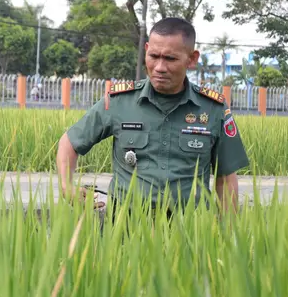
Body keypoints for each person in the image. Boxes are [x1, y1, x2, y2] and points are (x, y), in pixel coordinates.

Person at [56, 17, 250, 217]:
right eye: (154, 56)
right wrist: (66, 186)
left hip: (190, 229)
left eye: (170, 59)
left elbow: (225, 179)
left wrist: (229, 234)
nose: (159, 67)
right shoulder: (119, 102)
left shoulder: (213, 109)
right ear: (146, 49)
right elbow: (69, 143)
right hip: (127, 227)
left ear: (191, 59)